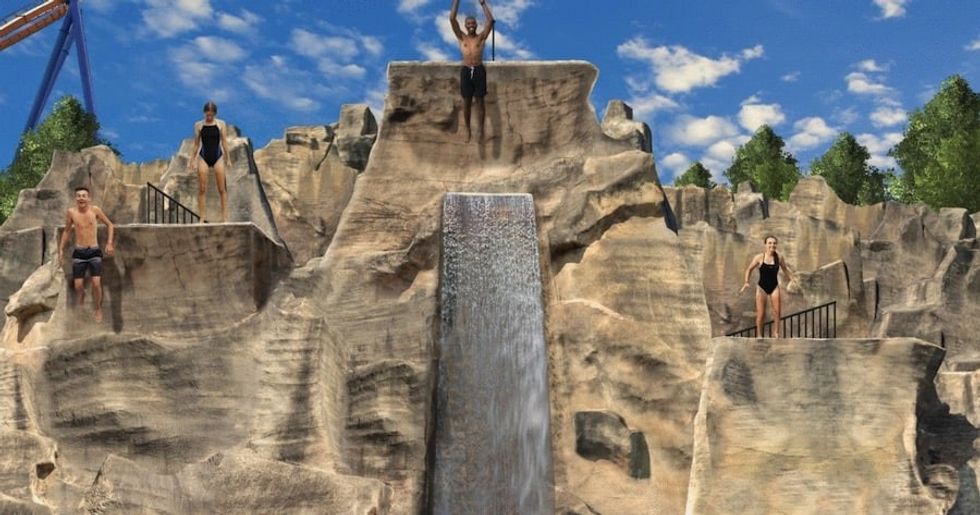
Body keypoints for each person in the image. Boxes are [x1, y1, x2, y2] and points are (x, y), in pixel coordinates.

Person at [58, 186, 115, 323]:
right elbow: (66, 231)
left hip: (94, 250)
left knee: (96, 283)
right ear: (75, 198)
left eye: (84, 195)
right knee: (78, 285)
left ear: (88, 198)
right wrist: (61, 249)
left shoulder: (95, 210)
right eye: (78, 196)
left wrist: (109, 243)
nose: (81, 198)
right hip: (79, 252)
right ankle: (82, 294)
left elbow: (110, 225)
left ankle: (98, 308)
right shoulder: (71, 212)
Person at [450, 0, 494, 143]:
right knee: (467, 102)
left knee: (480, 101)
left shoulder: (481, 37)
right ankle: (467, 129)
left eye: (473, 23)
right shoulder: (462, 37)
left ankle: (480, 130)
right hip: (465, 70)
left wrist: (483, 4)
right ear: (465, 26)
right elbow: (452, 18)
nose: (471, 26)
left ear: (476, 25)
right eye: (468, 24)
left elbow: (490, 20)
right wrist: (456, 1)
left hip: (479, 69)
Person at [739, 235, 798, 338]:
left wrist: (792, 279)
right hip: (761, 287)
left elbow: (785, 269)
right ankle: (759, 335)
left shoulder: (779, 257)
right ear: (765, 245)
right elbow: (749, 269)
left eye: (774, 243)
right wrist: (746, 282)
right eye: (770, 243)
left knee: (777, 312)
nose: (772, 245)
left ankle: (777, 334)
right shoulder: (759, 257)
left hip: (774, 287)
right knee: (761, 314)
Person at [188, 101, 232, 222]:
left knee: (222, 189)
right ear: (204, 113)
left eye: (211, 115)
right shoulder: (198, 125)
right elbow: (196, 144)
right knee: (202, 189)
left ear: (215, 114)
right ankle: (202, 217)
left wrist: (228, 158)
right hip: (204, 156)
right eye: (207, 115)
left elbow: (224, 142)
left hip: (217, 156)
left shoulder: (221, 124)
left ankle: (225, 217)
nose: (209, 117)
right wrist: (191, 160)